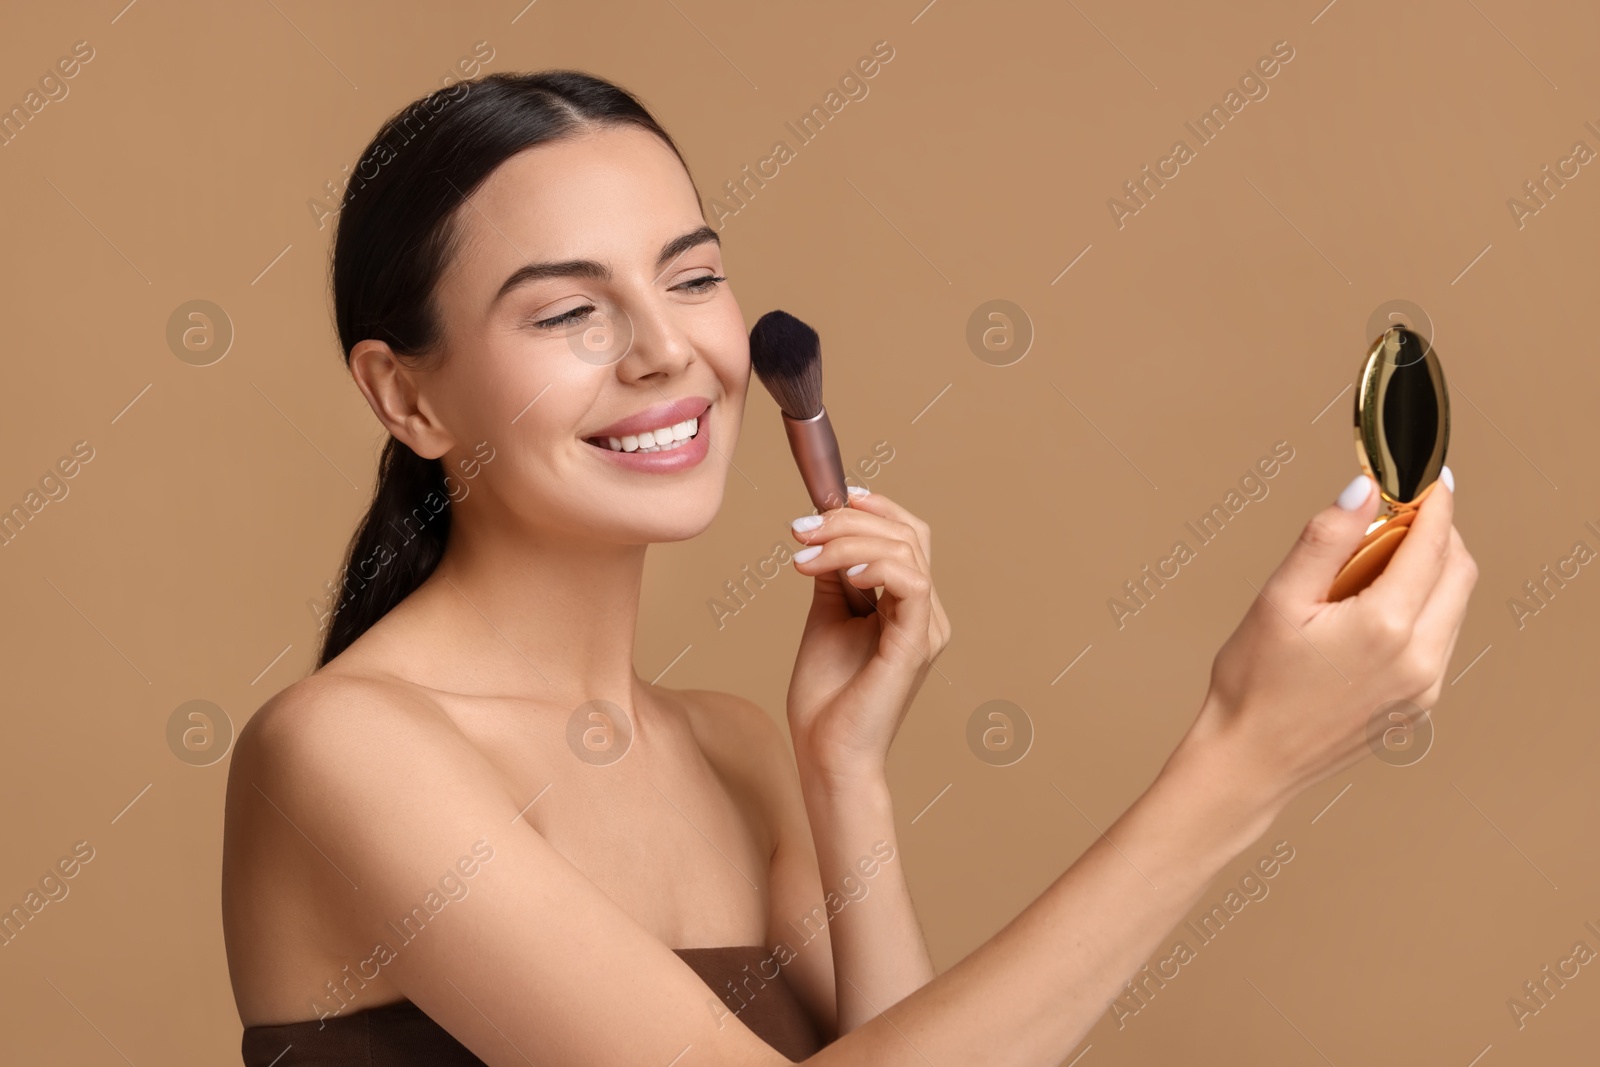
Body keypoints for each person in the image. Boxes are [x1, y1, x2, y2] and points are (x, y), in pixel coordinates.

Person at [221, 70, 1477, 1066]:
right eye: (567, 311)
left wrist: (844, 770)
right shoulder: (341, 750)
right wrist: (1239, 760)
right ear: (406, 396)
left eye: (694, 278)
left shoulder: (735, 751)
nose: (669, 350)